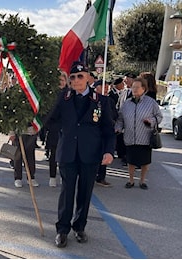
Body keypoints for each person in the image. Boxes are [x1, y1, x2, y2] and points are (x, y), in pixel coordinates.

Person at [49, 62, 115, 248]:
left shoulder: (101, 101)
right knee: (66, 193)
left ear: (88, 78)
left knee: (85, 193)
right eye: (73, 77)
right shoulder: (63, 97)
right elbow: (51, 119)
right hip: (68, 153)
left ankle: (80, 227)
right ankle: (62, 230)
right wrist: (33, 126)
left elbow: (108, 130)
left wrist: (109, 151)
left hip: (90, 154)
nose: (76, 80)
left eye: (80, 76)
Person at [115, 77, 163, 190]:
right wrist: (118, 128)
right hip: (130, 136)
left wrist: (151, 121)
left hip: (145, 136)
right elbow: (120, 119)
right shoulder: (127, 103)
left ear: (144, 89)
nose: (134, 89)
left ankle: (142, 181)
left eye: (137, 87)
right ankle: (131, 180)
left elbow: (159, 117)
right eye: (133, 87)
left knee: (144, 161)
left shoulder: (151, 103)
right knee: (130, 160)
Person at [44, 71, 68, 187]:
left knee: (65, 155)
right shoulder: (51, 94)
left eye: (63, 80)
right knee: (53, 154)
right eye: (59, 80)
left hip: (67, 129)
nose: (61, 82)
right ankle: (52, 177)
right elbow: (48, 112)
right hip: (54, 128)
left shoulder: (70, 94)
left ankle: (64, 177)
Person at [94, 80, 118, 187]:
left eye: (107, 87)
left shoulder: (109, 100)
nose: (105, 88)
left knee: (104, 153)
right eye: (103, 86)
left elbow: (114, 113)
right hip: (93, 131)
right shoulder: (92, 99)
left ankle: (101, 177)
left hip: (104, 131)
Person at [116, 72, 136, 166]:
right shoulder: (124, 92)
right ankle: (125, 157)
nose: (124, 81)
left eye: (126, 79)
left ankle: (132, 159)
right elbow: (118, 105)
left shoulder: (137, 92)